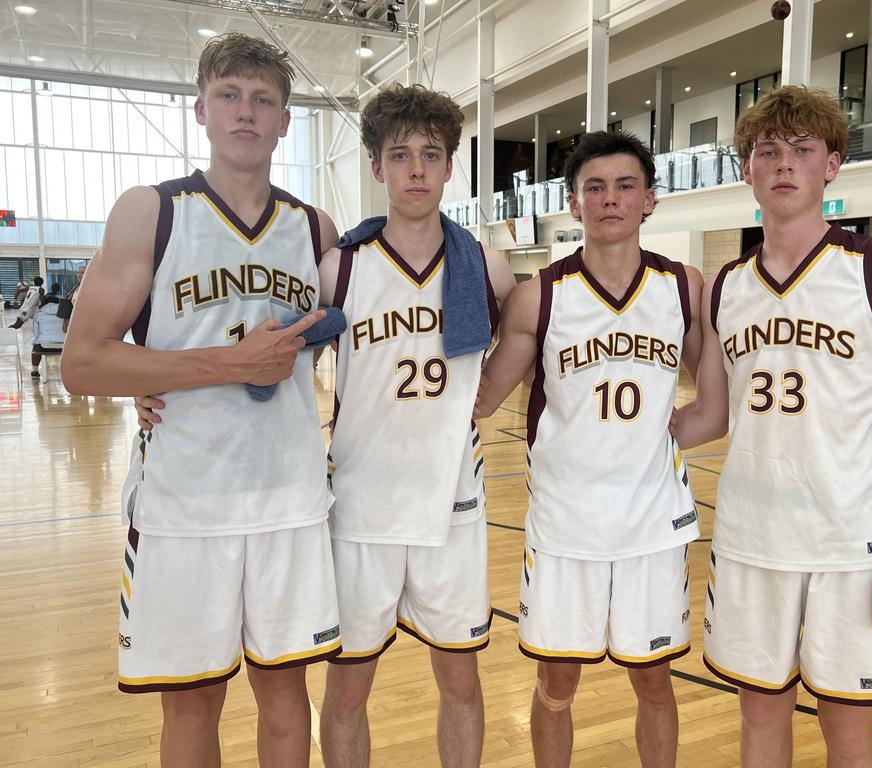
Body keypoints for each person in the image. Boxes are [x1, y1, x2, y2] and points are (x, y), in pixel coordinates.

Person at [61, 32, 341, 767]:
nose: (245, 113)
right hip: (184, 504)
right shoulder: (149, 212)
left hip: (290, 497)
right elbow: (84, 364)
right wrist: (218, 365)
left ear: (285, 120)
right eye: (229, 96)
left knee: (287, 698)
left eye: (263, 100)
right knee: (192, 704)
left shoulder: (315, 230)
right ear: (200, 111)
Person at [673, 86, 872, 767]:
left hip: (853, 544)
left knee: (849, 730)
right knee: (760, 720)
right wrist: (598, 430)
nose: (784, 163)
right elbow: (709, 415)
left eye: (802, 149)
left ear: (832, 165)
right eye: (768, 151)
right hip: (751, 540)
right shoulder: (726, 286)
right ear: (747, 170)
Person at [473, 130, 703, 768]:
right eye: (593, 188)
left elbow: (721, 399)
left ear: (650, 199)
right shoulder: (539, 295)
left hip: (651, 526)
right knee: (556, 685)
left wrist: (661, 438)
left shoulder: (684, 287)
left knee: (654, 681)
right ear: (573, 204)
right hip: (565, 525)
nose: (610, 200)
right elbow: (485, 396)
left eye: (625, 186)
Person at [317, 84, 516, 768]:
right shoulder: (339, 267)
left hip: (451, 503)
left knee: (461, 680)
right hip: (361, 505)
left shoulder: (486, 265)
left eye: (431, 154)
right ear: (376, 167)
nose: (416, 170)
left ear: (450, 166)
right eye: (400, 155)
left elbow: (538, 343)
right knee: (347, 688)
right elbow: (275, 363)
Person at [30, 285, 66, 379]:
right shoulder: (66, 314)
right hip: (65, 346)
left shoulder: (38, 315)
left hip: (44, 346)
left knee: (35, 346)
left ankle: (35, 371)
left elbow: (36, 333)